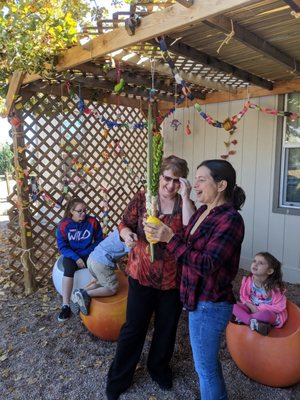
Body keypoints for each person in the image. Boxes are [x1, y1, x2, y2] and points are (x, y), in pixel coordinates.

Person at [145, 159, 246, 400]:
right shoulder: (204, 210)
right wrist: (160, 229)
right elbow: (188, 239)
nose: (195, 184)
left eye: (202, 179)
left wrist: (170, 239)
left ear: (221, 185)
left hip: (210, 304)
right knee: (207, 365)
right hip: (196, 299)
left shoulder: (230, 220)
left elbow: (207, 264)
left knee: (205, 370)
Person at [106, 155, 195, 400]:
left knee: (166, 329)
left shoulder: (184, 203)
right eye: (167, 179)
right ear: (159, 177)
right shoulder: (144, 198)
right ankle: (119, 378)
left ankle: (158, 369)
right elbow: (124, 223)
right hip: (141, 274)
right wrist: (127, 236)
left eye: (177, 181)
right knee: (134, 328)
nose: (170, 185)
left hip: (172, 279)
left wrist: (186, 197)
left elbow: (190, 233)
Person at [56, 197, 102, 322]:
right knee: (69, 268)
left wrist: (87, 253)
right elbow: (62, 247)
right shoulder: (64, 225)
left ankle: (88, 295)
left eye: (85, 210)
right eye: (80, 211)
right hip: (72, 254)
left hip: (88, 252)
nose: (83, 213)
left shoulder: (92, 222)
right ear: (72, 211)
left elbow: (99, 240)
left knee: (99, 264)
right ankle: (66, 305)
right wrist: (76, 258)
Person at [70, 228, 130, 316]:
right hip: (102, 263)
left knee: (99, 283)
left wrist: (121, 270)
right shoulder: (130, 237)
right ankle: (86, 295)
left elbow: (116, 255)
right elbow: (133, 258)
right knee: (112, 288)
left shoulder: (120, 230)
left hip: (92, 258)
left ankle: (81, 292)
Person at [232, 252, 287, 336]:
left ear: (269, 271)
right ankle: (253, 322)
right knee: (232, 305)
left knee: (265, 315)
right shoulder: (249, 280)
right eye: (254, 261)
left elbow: (279, 307)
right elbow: (243, 296)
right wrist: (251, 306)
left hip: (267, 313)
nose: (255, 264)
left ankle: (243, 318)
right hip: (251, 309)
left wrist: (259, 309)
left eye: (260, 263)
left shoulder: (274, 288)